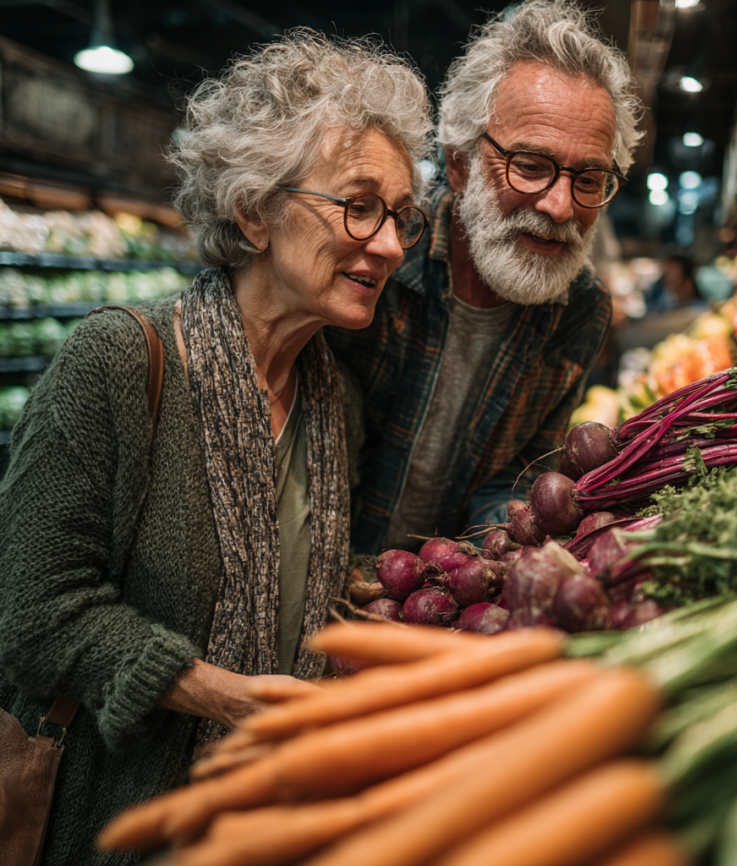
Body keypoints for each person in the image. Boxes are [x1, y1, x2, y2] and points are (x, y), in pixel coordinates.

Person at [0, 31, 431, 864]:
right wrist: (218, 695)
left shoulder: (331, 399)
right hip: (117, 823)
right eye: (360, 204)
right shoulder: (121, 362)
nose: (389, 246)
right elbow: (32, 614)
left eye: (403, 216)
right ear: (252, 212)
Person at [326, 0, 642, 553]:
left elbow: (518, 479)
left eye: (590, 177)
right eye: (530, 165)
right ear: (459, 163)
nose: (561, 206)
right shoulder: (377, 257)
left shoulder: (581, 309)